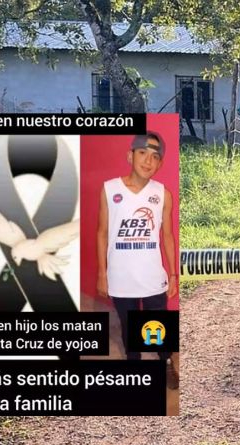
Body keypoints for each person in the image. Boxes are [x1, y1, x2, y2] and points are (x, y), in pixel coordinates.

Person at [96, 132, 179, 389]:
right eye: (143, 153)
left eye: (155, 157)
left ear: (160, 163)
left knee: (157, 328)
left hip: (152, 276)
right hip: (121, 277)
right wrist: (102, 273)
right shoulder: (110, 189)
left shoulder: (162, 194)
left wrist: (174, 274)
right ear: (130, 155)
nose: (148, 161)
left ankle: (165, 364)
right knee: (129, 326)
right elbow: (102, 232)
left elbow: (167, 235)